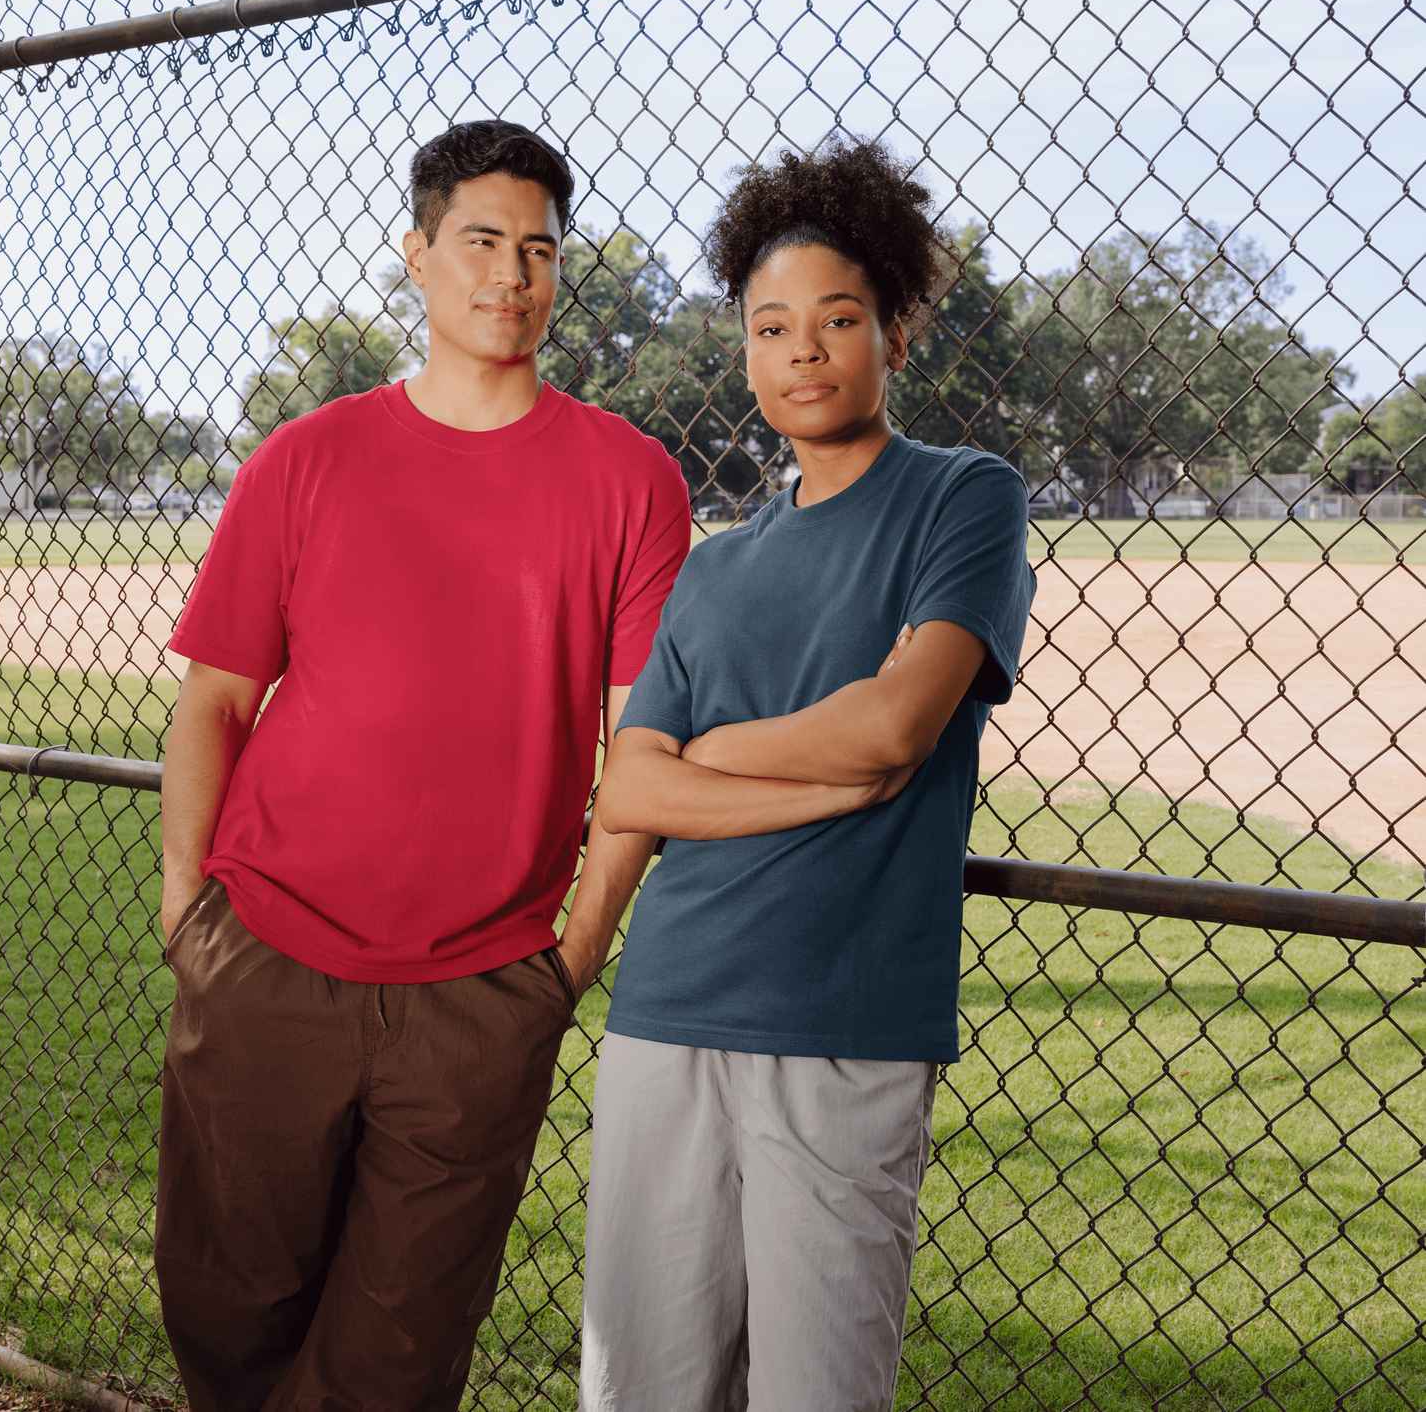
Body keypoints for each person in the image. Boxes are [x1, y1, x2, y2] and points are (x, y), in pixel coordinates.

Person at [154, 118, 689, 1411]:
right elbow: (216, 701)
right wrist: (186, 910)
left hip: (477, 992)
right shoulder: (307, 459)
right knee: (226, 1321)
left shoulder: (631, 482)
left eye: (540, 249)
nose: (511, 273)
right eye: (482, 241)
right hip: (267, 954)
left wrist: (566, 964)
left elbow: (644, 753)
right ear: (418, 255)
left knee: (394, 1369)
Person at [579, 136, 1037, 1411]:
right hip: (667, 1008)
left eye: (838, 318)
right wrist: (804, 772)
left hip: (842, 1020)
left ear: (897, 326)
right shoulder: (715, 565)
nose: (802, 350)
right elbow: (630, 793)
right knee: (640, 1387)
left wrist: (709, 756)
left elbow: (895, 726)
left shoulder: (963, 500)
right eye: (769, 325)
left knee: (817, 1389)